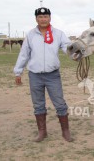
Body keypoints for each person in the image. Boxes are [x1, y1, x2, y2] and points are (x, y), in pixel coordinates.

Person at [13, 7, 73, 142]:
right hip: (35, 75)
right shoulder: (30, 35)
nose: (43, 19)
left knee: (60, 103)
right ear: (36, 19)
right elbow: (24, 54)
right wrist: (18, 71)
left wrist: (75, 54)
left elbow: (68, 48)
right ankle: (42, 132)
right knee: (38, 104)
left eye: (46, 16)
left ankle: (65, 131)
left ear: (50, 18)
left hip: (53, 75)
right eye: (40, 17)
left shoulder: (58, 34)